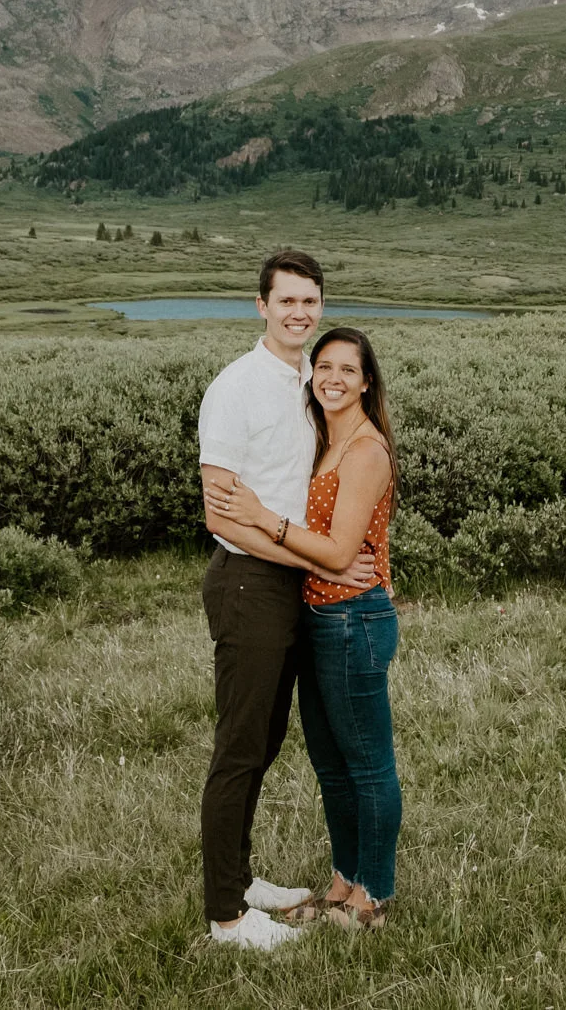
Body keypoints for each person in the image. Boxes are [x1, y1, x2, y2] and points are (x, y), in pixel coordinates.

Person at [194, 249, 374, 951]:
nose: (300, 311)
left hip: (296, 583)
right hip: (249, 582)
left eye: (311, 300)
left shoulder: (314, 380)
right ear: (261, 305)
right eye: (286, 300)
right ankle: (226, 917)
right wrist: (307, 553)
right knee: (239, 747)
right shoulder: (235, 388)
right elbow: (220, 515)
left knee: (266, 742)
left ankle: (239, 879)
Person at [209, 326, 402, 931]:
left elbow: (343, 548)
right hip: (320, 614)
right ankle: (344, 879)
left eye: (349, 369)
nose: (334, 378)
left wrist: (264, 518)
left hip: (355, 618)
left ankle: (371, 893)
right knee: (329, 761)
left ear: (367, 381)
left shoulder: (366, 451)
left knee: (366, 764)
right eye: (324, 367)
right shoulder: (322, 437)